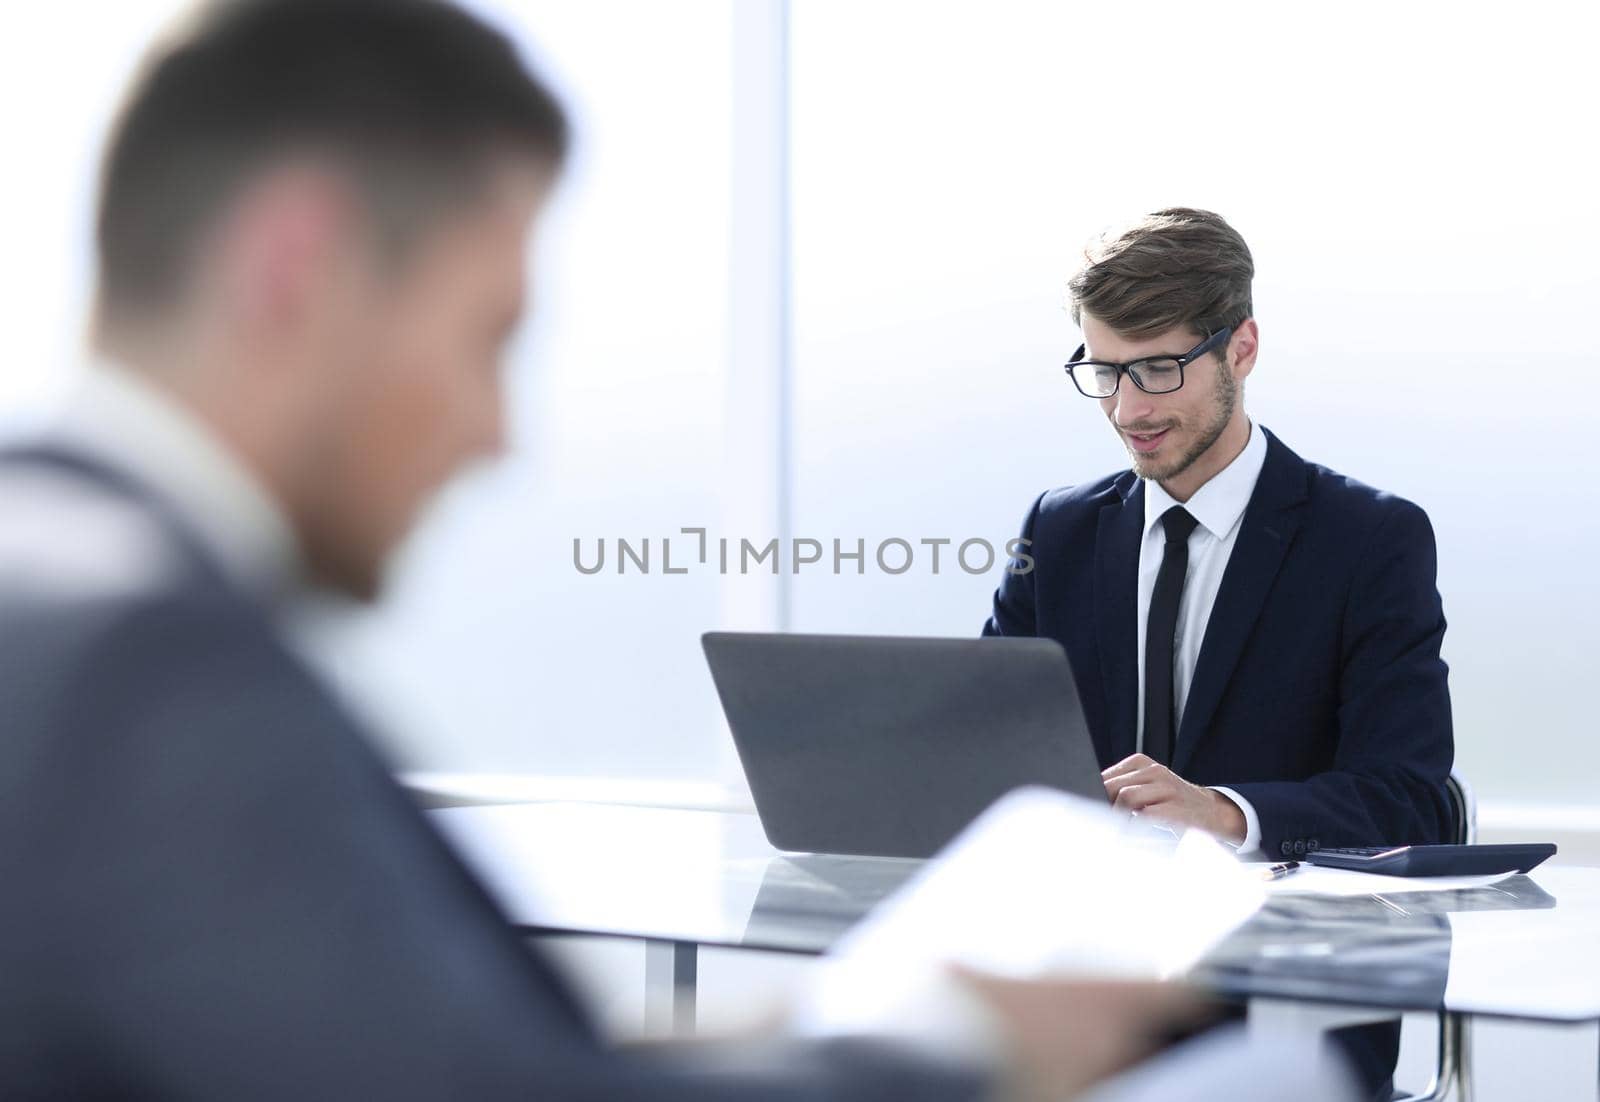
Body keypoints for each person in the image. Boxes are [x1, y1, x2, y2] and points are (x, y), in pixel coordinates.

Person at [0, 3, 1360, 1100]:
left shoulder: (62, 600)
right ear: (296, 266)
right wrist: (950, 1045)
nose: (494, 434)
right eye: (488, 333)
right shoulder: (146, 664)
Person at [984, 207, 1455, 1097]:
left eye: (1158, 369)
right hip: (1079, 987)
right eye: (1104, 372)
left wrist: (1226, 813)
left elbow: (1409, 801)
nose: (1128, 410)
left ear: (1241, 349)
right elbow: (984, 743)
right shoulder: (1062, 528)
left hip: (1280, 1005)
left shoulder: (1369, 540)